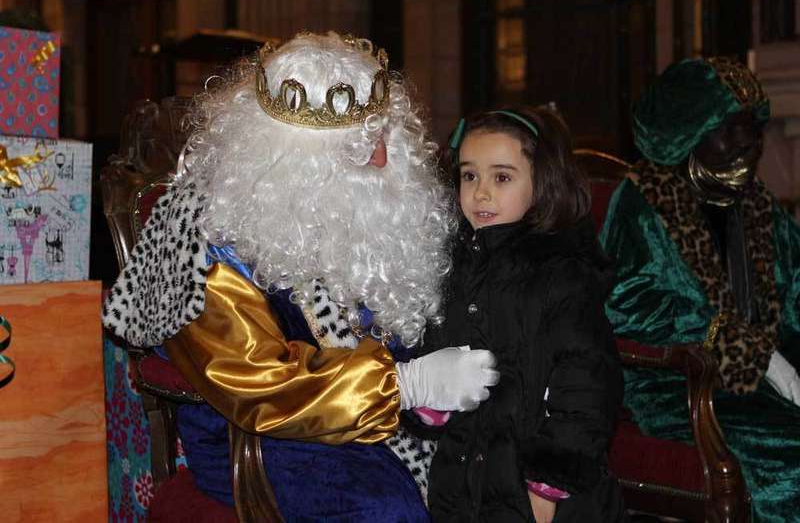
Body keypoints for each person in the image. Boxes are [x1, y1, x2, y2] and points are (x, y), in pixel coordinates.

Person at [102, 31, 500, 521]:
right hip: (265, 435)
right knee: (384, 512)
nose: (380, 160)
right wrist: (405, 385)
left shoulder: (373, 210)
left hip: (383, 416)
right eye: (356, 148)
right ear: (291, 157)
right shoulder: (208, 234)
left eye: (383, 139)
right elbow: (256, 383)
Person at [600, 57, 800, 521]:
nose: (747, 142)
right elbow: (629, 305)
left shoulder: (758, 204)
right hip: (678, 387)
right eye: (730, 128)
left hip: (760, 389)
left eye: (752, 127)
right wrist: (749, 350)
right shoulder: (643, 200)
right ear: (688, 131)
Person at [404, 107, 626, 522]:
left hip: (541, 491)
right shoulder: (455, 266)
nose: (481, 192)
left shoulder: (562, 274)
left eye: (501, 177)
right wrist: (430, 401)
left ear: (542, 184)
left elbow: (588, 383)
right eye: (470, 176)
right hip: (462, 480)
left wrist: (548, 484)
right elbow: (436, 345)